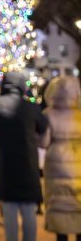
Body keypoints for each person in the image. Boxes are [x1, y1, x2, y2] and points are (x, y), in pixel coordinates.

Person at [0, 71, 49, 241]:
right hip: (28, 165)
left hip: (4, 165)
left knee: (10, 211)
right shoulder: (32, 108)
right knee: (29, 211)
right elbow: (44, 128)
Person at [42, 76, 81, 241]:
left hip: (56, 162)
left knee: (59, 205)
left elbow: (43, 142)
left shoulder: (48, 114)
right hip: (78, 160)